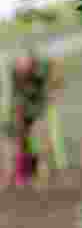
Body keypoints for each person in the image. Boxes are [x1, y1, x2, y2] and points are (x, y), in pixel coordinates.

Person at [2, 51, 65, 188]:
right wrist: (17, 114)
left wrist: (56, 91)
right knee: (17, 137)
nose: (22, 72)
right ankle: (19, 172)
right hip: (24, 104)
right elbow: (15, 96)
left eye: (25, 69)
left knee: (41, 136)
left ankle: (46, 168)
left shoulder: (42, 67)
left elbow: (56, 66)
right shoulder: (15, 73)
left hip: (40, 103)